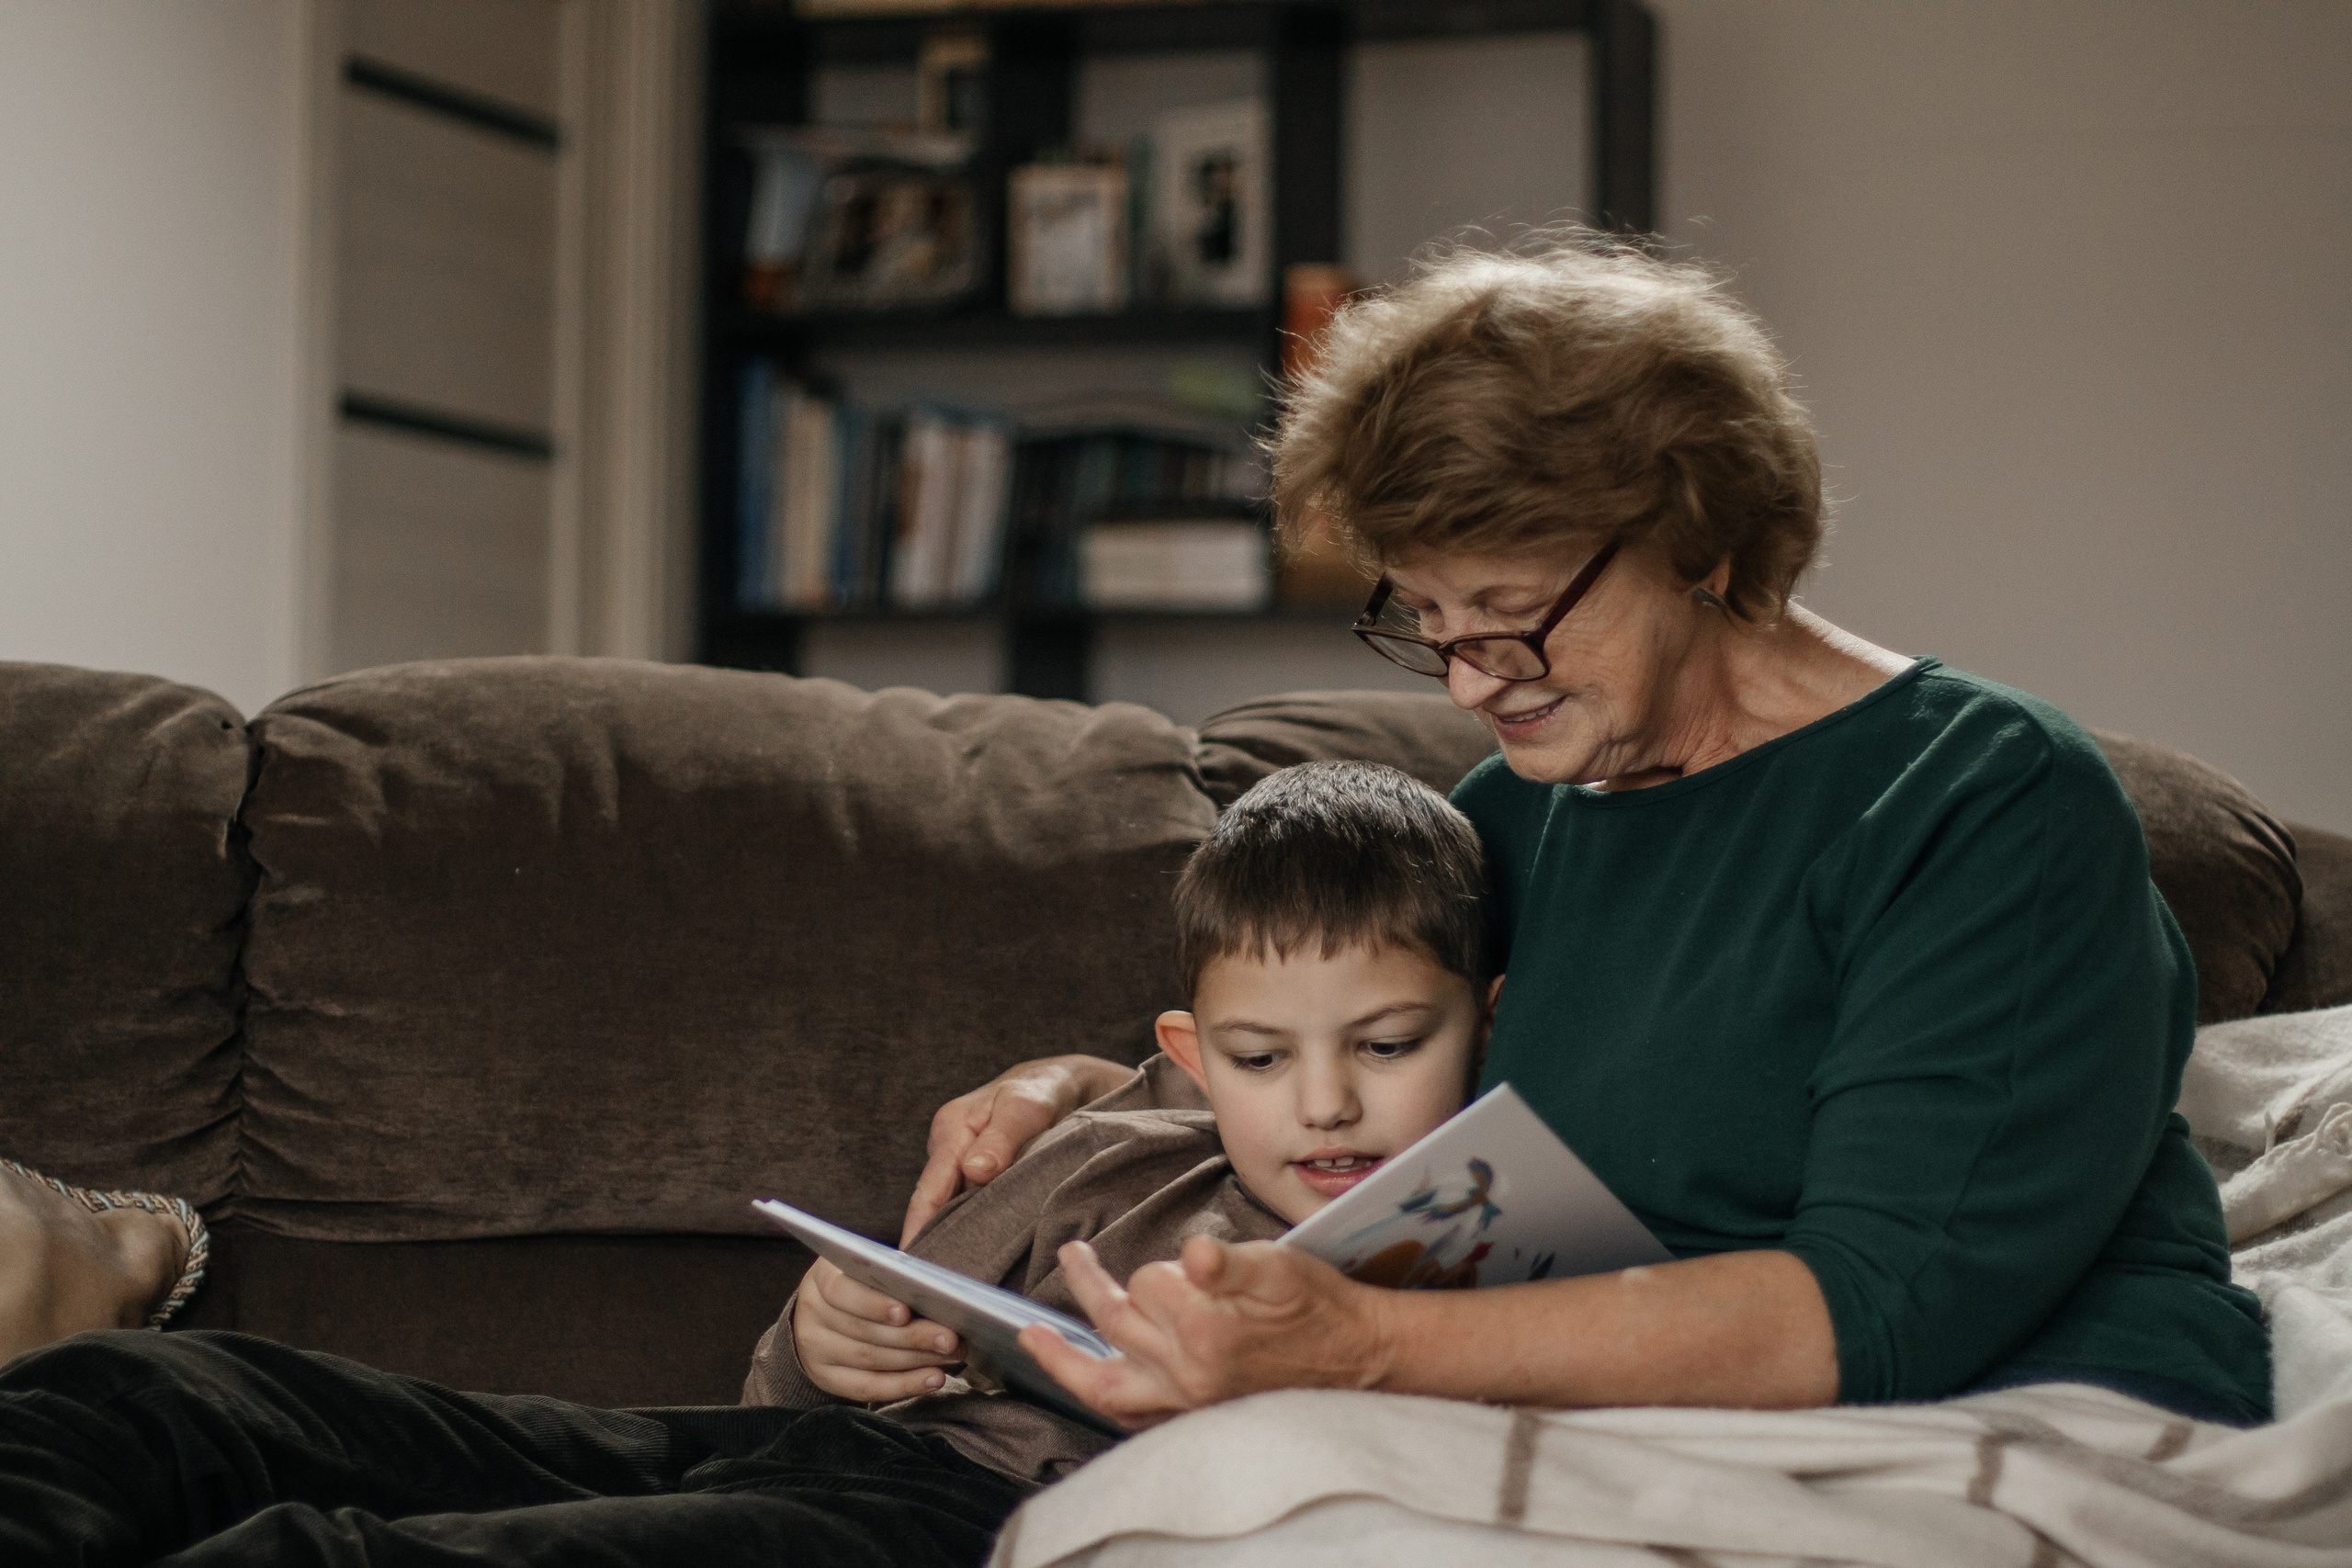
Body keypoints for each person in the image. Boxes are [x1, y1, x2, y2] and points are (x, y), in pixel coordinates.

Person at [907, 231, 2274, 1434]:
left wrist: (1370, 1345)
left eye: (1508, 615)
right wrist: (1075, 1091)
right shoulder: (1509, 811)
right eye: (1425, 621)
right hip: (1596, 1416)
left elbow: (1882, 1313)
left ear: (1709, 542)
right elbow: (1346, 1056)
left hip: (1991, 1409)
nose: (1466, 681)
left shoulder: (1980, 798)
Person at [0, 761, 1496, 1566]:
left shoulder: (1486, 1243)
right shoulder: (1119, 1145)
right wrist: (830, 1342)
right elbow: (788, 1387)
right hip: (826, 1449)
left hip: (967, 1525)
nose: (1323, 1108)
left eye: (1385, 1047)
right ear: (1187, 1044)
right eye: (1259, 1058)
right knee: (148, 1396)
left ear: (1485, 1025)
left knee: (344, 1553)